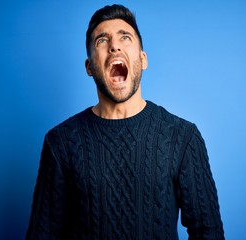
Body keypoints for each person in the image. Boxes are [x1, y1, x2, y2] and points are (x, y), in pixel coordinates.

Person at [26, 4, 224, 240]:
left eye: (125, 37)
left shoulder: (182, 137)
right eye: (102, 40)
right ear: (90, 67)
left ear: (143, 59)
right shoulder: (60, 143)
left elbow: (208, 233)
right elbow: (42, 234)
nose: (114, 45)